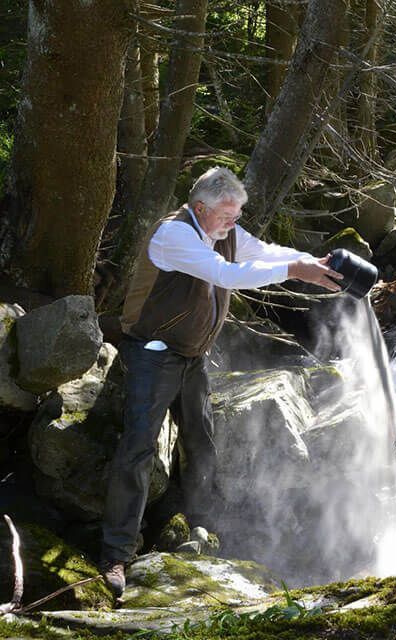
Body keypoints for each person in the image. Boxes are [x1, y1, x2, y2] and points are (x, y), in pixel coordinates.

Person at [99, 166, 342, 598]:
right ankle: (116, 554)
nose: (235, 222)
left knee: (201, 441)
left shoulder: (225, 230)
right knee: (138, 448)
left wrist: (308, 263)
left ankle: (203, 526)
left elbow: (260, 251)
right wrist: (294, 272)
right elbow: (227, 275)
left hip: (192, 355)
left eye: (237, 214)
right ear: (199, 208)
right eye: (229, 214)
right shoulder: (173, 236)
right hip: (153, 353)